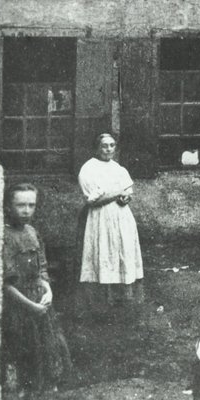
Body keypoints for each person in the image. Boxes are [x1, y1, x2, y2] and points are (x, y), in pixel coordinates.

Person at [1, 182, 72, 400]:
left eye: (31, 205)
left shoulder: (32, 231)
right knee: (20, 361)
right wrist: (30, 306)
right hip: (18, 311)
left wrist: (48, 290)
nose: (26, 210)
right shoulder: (5, 237)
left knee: (40, 360)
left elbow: (42, 268)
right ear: (8, 206)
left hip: (39, 309)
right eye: (20, 205)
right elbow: (6, 284)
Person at [78, 132, 144, 312]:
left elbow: (127, 191)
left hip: (122, 216)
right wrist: (117, 192)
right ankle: (101, 301)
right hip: (100, 216)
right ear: (96, 148)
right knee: (103, 249)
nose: (108, 149)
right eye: (104, 146)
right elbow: (94, 200)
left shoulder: (118, 168)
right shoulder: (88, 169)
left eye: (112, 145)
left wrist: (126, 198)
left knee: (121, 250)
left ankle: (121, 297)